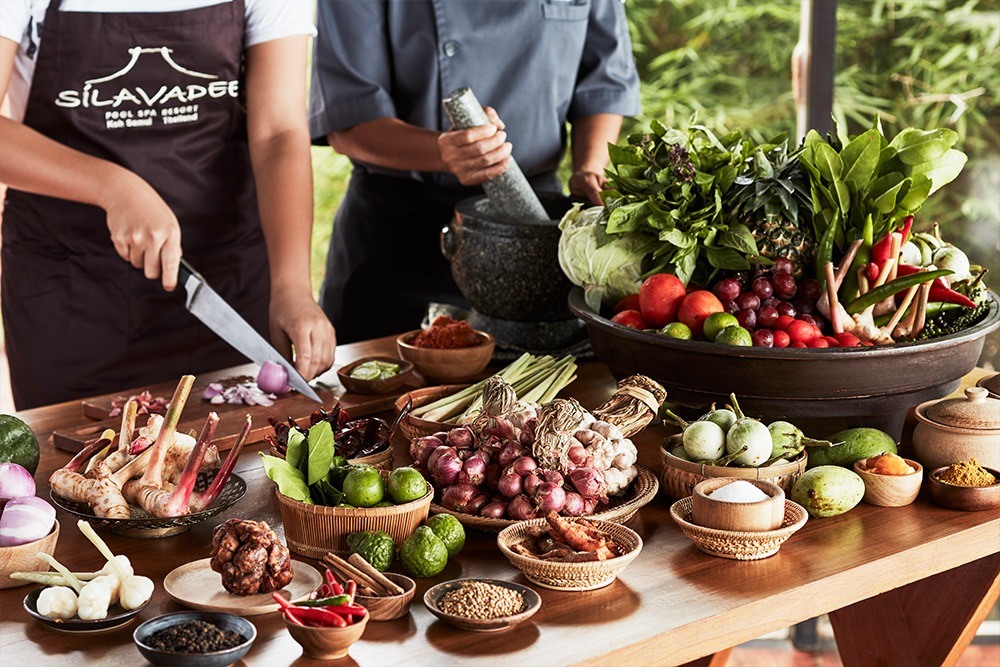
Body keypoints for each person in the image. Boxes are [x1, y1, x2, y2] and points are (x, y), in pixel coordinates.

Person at [0, 0, 336, 409]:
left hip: (224, 279)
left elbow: (279, 130)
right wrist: (113, 187)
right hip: (67, 292)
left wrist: (292, 286)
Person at [310, 0, 640, 344]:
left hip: (538, 240)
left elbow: (604, 84)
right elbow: (347, 117)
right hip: (397, 245)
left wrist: (589, 166)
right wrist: (442, 150)